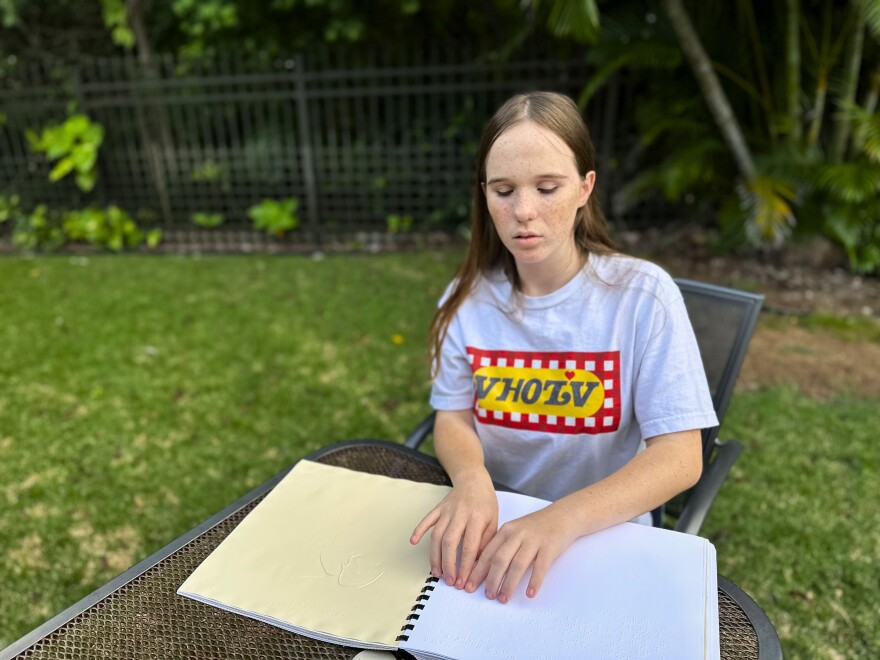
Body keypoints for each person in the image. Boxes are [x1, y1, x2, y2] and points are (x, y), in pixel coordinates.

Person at [409, 91, 718, 606]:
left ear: (584, 187)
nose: (523, 212)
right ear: (484, 194)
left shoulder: (642, 297)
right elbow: (453, 415)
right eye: (503, 190)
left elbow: (681, 458)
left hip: (602, 534)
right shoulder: (466, 301)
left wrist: (561, 520)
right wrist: (470, 478)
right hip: (492, 530)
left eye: (547, 187)